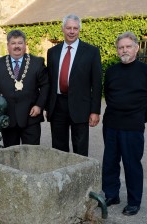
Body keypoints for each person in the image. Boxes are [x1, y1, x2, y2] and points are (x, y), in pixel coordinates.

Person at [101, 31, 147, 216]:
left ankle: (134, 202)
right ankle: (111, 195)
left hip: (133, 128)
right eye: (121, 47)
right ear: (117, 51)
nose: (124, 50)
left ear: (136, 48)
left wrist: (140, 118)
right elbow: (109, 95)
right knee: (110, 162)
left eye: (128, 46)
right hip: (111, 125)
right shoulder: (111, 71)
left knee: (132, 164)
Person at [46, 14, 103, 157]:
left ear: (79, 30)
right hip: (57, 105)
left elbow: (97, 83)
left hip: (81, 106)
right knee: (58, 148)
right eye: (68, 28)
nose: (72, 31)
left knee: (80, 147)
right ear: (63, 29)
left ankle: (80, 177)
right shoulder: (52, 52)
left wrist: (95, 111)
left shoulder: (91, 52)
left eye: (75, 28)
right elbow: (50, 81)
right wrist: (48, 106)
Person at [0, 30, 49, 147]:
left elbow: (46, 85)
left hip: (31, 117)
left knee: (31, 155)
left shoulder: (37, 63)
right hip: (7, 119)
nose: (17, 46)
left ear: (25, 45)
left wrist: (39, 105)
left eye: (20, 43)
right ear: (8, 46)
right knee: (10, 156)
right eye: (13, 43)